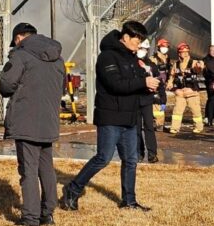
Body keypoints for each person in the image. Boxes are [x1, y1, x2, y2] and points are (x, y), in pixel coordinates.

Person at [61, 21, 159, 212]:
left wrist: (149, 86)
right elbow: (116, 84)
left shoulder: (132, 58)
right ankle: (73, 189)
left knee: (131, 160)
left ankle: (129, 201)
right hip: (110, 117)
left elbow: (136, 84)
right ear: (126, 37)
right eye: (137, 40)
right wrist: (142, 81)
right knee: (103, 158)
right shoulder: (107, 57)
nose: (139, 45)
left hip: (130, 117)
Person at [0, 22, 65, 226]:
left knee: (28, 170)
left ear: (19, 38)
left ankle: (30, 218)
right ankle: (48, 214)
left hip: (26, 120)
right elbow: (61, 88)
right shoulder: (58, 57)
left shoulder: (20, 55)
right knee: (47, 168)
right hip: (49, 121)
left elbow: (6, 85)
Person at [167, 42, 204, 134]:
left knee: (196, 111)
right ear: (179, 53)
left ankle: (198, 127)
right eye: (182, 52)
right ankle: (174, 127)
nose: (185, 54)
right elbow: (172, 76)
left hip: (192, 93)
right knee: (177, 111)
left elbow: (199, 67)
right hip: (180, 93)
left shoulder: (194, 62)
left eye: (186, 52)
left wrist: (200, 65)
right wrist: (170, 83)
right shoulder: (176, 64)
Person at [136, 40, 159, 163]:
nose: (141, 51)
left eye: (144, 49)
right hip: (134, 99)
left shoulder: (152, 65)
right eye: (140, 48)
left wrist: (161, 96)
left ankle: (152, 153)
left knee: (149, 126)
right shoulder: (131, 63)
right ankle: (139, 153)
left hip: (147, 99)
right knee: (136, 128)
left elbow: (158, 80)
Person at [148, 38, 171, 130]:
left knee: (162, 101)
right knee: (157, 102)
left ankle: (159, 122)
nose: (165, 48)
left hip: (163, 83)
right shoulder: (153, 59)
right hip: (156, 83)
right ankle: (158, 123)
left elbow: (168, 72)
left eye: (166, 47)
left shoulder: (167, 58)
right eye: (163, 46)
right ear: (158, 47)